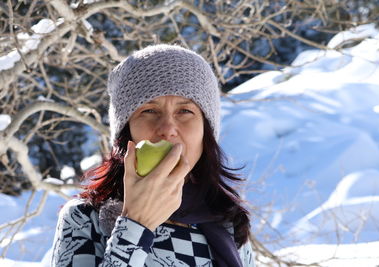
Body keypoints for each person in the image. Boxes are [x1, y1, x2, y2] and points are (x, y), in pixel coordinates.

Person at [51, 44, 255, 266]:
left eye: (185, 111)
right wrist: (135, 225)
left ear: (205, 132)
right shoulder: (85, 219)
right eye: (149, 111)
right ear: (125, 132)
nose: (167, 128)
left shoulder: (227, 223)